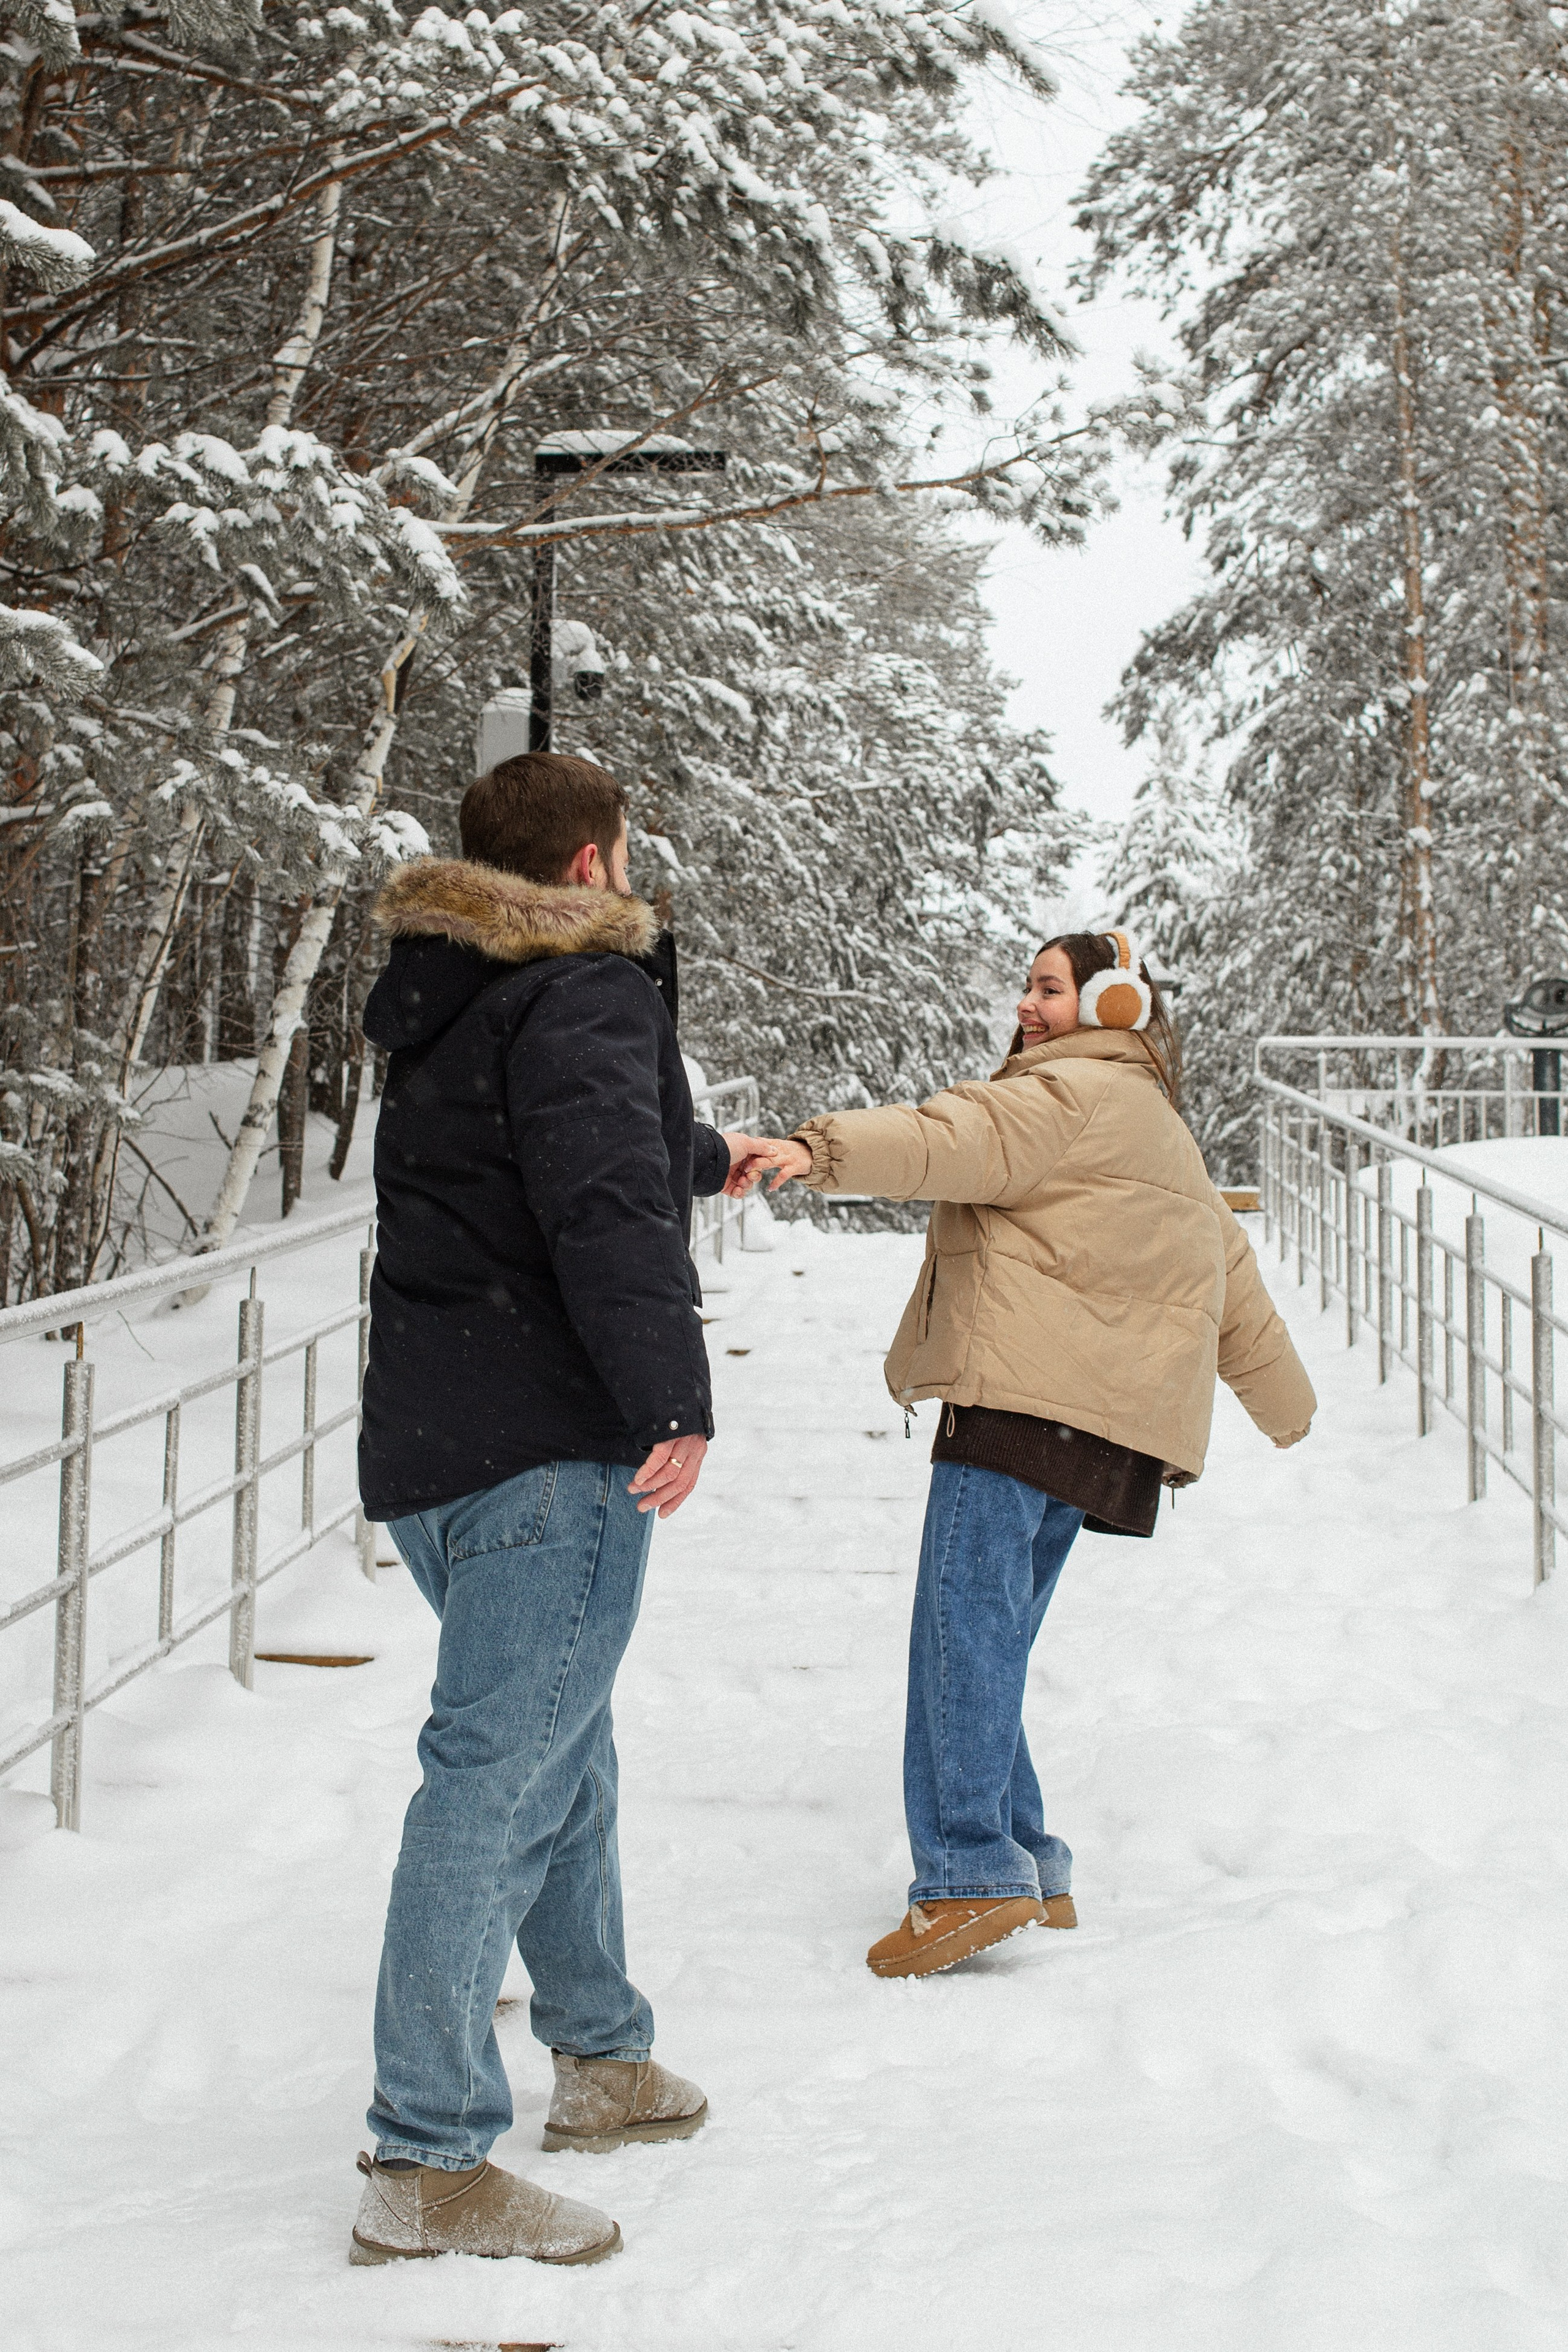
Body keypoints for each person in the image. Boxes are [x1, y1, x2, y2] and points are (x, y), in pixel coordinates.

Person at [350, 751, 757, 2267]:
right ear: (592, 866)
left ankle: (599, 2056)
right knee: (493, 1778)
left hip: (439, 1455)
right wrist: (673, 1393)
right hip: (546, 1451)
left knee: (554, 1746)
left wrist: (709, 1155)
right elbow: (597, 1204)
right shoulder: (585, 985)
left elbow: (551, 1159)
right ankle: (426, 2157)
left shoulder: (451, 989)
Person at [731, 931, 1316, 1982]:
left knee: (959, 1639)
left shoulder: (1062, 1098)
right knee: (984, 1641)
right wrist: (1289, 1406)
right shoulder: (1160, 1128)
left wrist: (814, 1151)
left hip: (1016, 1409)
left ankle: (968, 1873)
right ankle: (1030, 1857)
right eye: (1030, 987)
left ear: (1113, 1006)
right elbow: (1236, 1281)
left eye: (1050, 990)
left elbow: (938, 1136)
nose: (1027, 1007)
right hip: (1099, 1441)